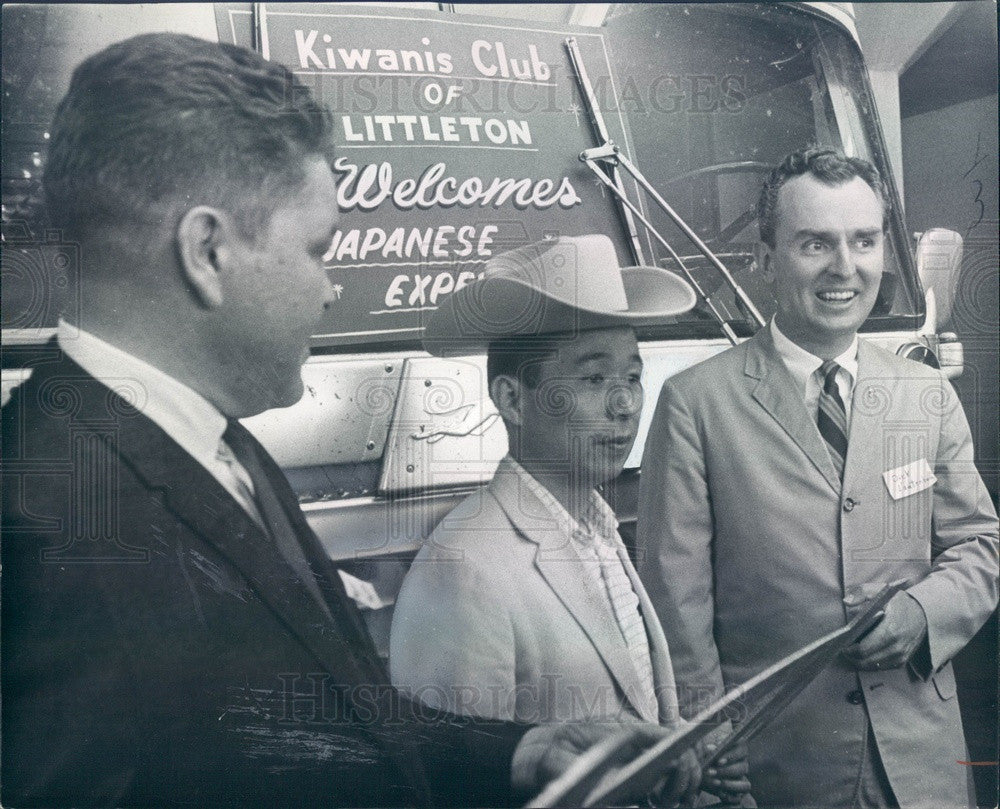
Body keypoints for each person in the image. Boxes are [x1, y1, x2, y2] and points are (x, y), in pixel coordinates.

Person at [1, 33, 682, 808]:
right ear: (208, 251)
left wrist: (525, 750)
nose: (330, 290)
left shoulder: (221, 444)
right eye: (320, 248)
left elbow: (336, 722)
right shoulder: (42, 512)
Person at [637, 147, 999, 808]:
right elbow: (677, 614)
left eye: (863, 241)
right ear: (767, 260)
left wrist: (922, 611)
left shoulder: (926, 395)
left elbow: (980, 549)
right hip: (778, 771)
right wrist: (714, 766)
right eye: (814, 243)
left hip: (924, 770)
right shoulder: (696, 404)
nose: (844, 268)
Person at [391, 234, 751, 805]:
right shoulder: (463, 567)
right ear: (512, 400)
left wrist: (678, 753)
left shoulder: (601, 531)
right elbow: (452, 781)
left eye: (632, 377)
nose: (626, 404)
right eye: (592, 379)